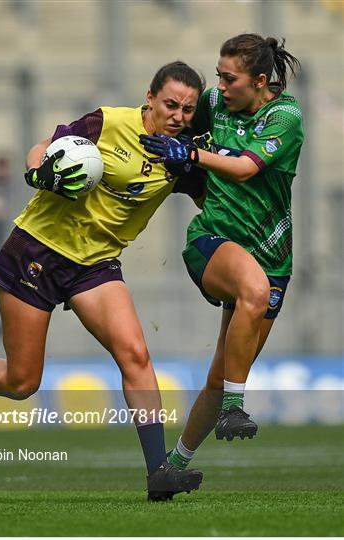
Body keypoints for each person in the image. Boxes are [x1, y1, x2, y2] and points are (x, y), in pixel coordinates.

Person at [0, 62, 206, 501]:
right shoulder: (108, 123)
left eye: (188, 109)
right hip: (37, 251)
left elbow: (211, 198)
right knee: (22, 383)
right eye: (171, 104)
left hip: (95, 264)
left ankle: (159, 472)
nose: (178, 115)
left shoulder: (180, 158)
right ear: (150, 98)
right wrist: (37, 171)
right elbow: (45, 146)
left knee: (136, 353)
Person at [139, 34, 304, 467]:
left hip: (272, 257)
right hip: (211, 242)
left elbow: (246, 168)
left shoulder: (285, 116)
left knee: (221, 374)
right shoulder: (212, 102)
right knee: (251, 287)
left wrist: (190, 155)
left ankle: (171, 467)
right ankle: (235, 409)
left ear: (260, 81)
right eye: (219, 76)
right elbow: (167, 122)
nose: (220, 86)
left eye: (230, 79)